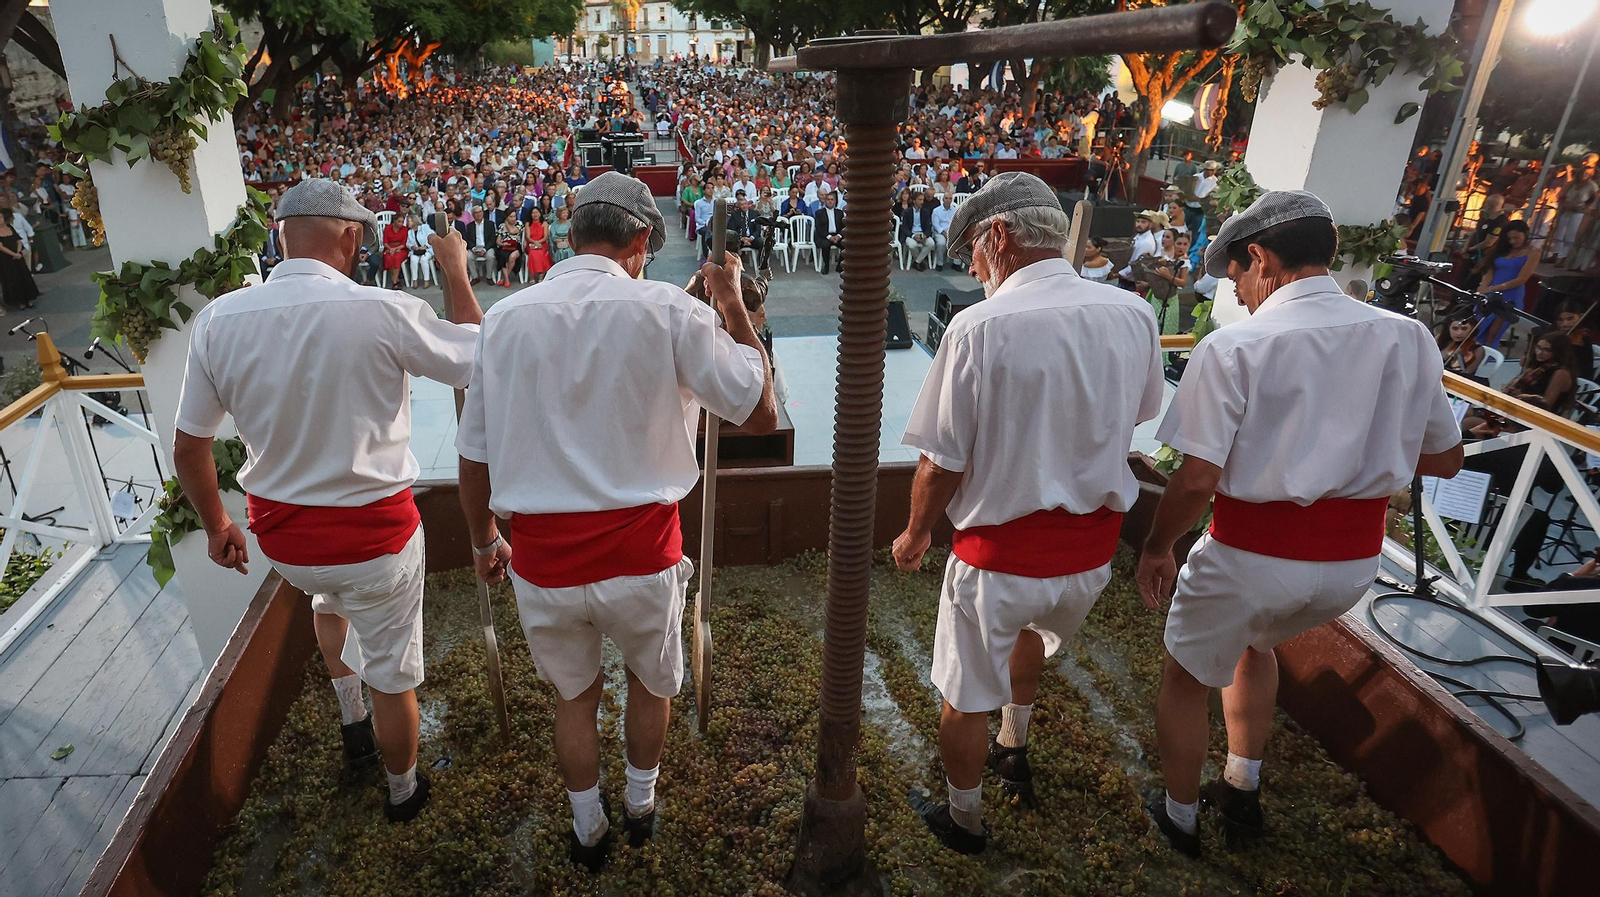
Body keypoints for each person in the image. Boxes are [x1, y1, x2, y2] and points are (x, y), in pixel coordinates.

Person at [455, 172, 777, 872]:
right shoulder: (669, 310)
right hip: (643, 553)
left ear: (572, 236)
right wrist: (730, 306)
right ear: (638, 241)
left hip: (543, 560)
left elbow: (473, 457)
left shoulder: (505, 318)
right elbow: (761, 412)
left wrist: (483, 539)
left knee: (574, 695)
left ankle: (586, 822)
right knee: (650, 681)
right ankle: (640, 802)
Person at [1135, 190, 1464, 858]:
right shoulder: (1409, 337)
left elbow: (1197, 479)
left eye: (1237, 279)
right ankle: (1243, 787)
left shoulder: (1236, 346)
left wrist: (1157, 546)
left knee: (1185, 676)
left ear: (1259, 258)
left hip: (1251, 553)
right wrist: (1357, 446)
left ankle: (1178, 817)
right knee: (1256, 645)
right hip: (1350, 569)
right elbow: (1446, 457)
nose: (1242, 295)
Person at [170, 178, 487, 824]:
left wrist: (216, 524)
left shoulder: (219, 320)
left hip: (284, 542)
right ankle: (403, 790)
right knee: (394, 675)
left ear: (281, 237)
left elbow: (187, 447)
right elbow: (481, 357)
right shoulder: (383, 309)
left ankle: (351, 718)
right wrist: (454, 271)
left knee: (326, 599)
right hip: (375, 541)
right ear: (347, 237)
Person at [892, 172, 1164, 855]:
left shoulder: (978, 327)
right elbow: (1135, 420)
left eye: (975, 257)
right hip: (1090, 560)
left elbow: (940, 462)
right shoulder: (1134, 314)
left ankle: (964, 819)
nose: (976, 272)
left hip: (999, 558)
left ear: (1001, 236)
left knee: (963, 693)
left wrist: (916, 531)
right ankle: (1014, 746)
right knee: (1027, 642)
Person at [1474, 220, 1537, 349]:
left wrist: (1492, 288)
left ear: (1525, 234)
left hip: (1510, 296)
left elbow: (1521, 279)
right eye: (1509, 238)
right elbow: (1490, 268)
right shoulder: (1502, 250)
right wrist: (1483, 287)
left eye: (1516, 237)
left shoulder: (1533, 252)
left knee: (1493, 333)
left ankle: (1486, 359)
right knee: (1476, 327)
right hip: (1490, 293)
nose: (1513, 241)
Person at [0, 209, 37, 312]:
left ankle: (28, 299)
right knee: (13, 279)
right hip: (6, 260)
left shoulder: (10, 227)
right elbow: (1, 247)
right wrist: (13, 254)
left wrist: (18, 251)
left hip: (18, 256)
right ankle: (19, 302)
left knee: (23, 276)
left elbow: (18, 239)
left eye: (1, 217)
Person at [456, 205, 497, 284]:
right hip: (475, 247)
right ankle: (475, 277)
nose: (478, 214)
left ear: (482, 213)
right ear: (473, 215)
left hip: (487, 247)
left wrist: (485, 249)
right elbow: (468, 239)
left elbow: (492, 239)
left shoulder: (490, 224)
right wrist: (473, 248)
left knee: (490, 256)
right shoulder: (469, 226)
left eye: (480, 212)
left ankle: (489, 277)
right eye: (476, 213)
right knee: (468, 256)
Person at [902, 189, 937, 270]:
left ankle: (917, 262)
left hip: (922, 233)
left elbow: (928, 226)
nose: (922, 202)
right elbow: (904, 227)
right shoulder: (907, 212)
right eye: (920, 200)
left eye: (922, 200)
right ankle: (919, 262)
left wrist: (925, 235)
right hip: (911, 234)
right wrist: (913, 235)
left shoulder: (925, 212)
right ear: (914, 201)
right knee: (912, 245)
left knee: (931, 243)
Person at [814, 191, 846, 275]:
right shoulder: (819, 213)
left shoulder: (839, 213)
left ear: (835, 201)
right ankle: (826, 266)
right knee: (825, 245)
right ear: (825, 201)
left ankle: (840, 266)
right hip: (824, 236)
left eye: (832, 199)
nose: (830, 201)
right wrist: (829, 237)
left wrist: (838, 236)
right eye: (828, 199)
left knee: (846, 245)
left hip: (836, 235)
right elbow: (819, 229)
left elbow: (843, 227)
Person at [406, 213, 435, 288]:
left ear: (414, 221)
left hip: (428, 249)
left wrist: (426, 246)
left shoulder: (425, 227)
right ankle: (415, 280)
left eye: (409, 221)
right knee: (413, 259)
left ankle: (426, 280)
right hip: (416, 251)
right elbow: (408, 243)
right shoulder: (410, 232)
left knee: (424, 260)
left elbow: (432, 236)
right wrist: (412, 247)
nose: (407, 223)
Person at [525, 207, 553, 284]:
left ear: (540, 214)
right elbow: (528, 237)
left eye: (536, 212)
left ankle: (541, 274)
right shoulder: (528, 224)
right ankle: (531, 275)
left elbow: (545, 237)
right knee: (532, 253)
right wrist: (535, 242)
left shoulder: (544, 223)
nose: (535, 214)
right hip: (531, 243)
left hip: (542, 243)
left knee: (541, 253)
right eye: (533, 213)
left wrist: (538, 242)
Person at [497, 213, 525, 287]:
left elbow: (512, 231)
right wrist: (502, 244)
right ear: (507, 217)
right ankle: (506, 280)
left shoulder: (519, 223)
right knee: (502, 255)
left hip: (516, 246)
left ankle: (504, 278)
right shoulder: (501, 226)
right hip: (504, 246)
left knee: (512, 257)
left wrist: (507, 224)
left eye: (514, 216)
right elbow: (498, 240)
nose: (513, 218)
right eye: (511, 217)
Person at [381, 213, 409, 287]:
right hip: (389, 248)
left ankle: (394, 280)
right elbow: (385, 242)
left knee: (397, 258)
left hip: (401, 248)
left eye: (402, 222)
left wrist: (396, 249)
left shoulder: (405, 229)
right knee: (388, 257)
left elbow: (404, 243)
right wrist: (390, 249)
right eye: (399, 221)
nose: (401, 224)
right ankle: (396, 280)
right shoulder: (387, 228)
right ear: (394, 221)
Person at [931, 192, 956, 271]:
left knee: (959, 241)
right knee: (941, 243)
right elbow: (935, 224)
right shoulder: (936, 211)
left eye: (950, 198)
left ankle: (956, 263)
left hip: (951, 231)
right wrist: (944, 233)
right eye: (946, 198)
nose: (948, 200)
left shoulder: (955, 210)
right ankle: (940, 263)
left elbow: (956, 223)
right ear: (943, 199)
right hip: (940, 232)